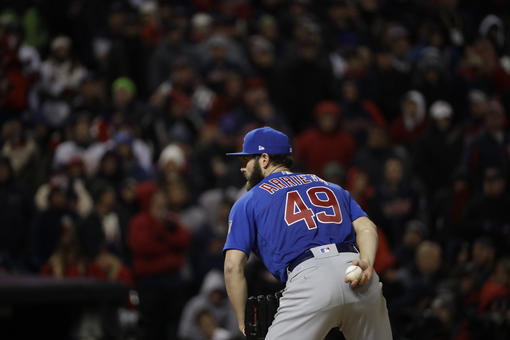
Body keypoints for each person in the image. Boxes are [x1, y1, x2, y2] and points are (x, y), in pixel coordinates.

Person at [223, 127, 392, 340]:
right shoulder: (331, 187)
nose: (242, 167)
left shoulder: (248, 201)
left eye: (246, 159)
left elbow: (232, 267)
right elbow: (366, 226)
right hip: (356, 272)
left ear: (264, 159)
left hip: (310, 278)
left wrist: (242, 322)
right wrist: (366, 261)